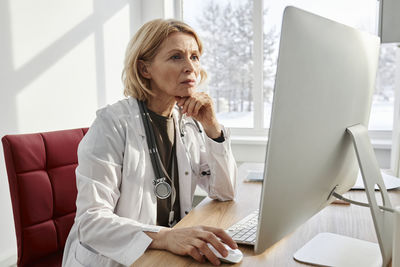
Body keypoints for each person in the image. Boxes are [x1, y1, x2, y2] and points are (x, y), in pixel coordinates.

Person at [62, 18, 238, 267]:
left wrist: (212, 128)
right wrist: (166, 237)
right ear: (145, 69)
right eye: (176, 57)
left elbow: (224, 192)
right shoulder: (111, 124)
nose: (190, 67)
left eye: (195, 57)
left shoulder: (187, 122)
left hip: (166, 255)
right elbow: (90, 222)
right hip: (115, 260)